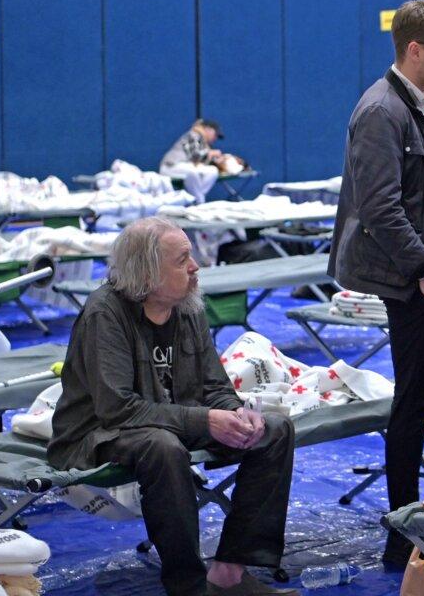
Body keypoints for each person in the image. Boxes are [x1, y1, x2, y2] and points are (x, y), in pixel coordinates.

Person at [48, 217, 297, 596]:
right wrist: (206, 420)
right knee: (163, 447)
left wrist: (236, 413)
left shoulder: (187, 304)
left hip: (171, 423)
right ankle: (188, 586)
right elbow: (118, 409)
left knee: (274, 430)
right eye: (182, 260)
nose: (195, 267)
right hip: (99, 434)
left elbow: (213, 385)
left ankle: (229, 573)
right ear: (146, 272)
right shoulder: (105, 313)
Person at [328, 0, 424, 569]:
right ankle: (405, 534)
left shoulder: (421, 106)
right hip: (411, 279)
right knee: (414, 400)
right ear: (415, 50)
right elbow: (379, 208)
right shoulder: (380, 112)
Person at [160, 118, 234, 202]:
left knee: (213, 171)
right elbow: (195, 156)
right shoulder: (194, 134)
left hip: (185, 168)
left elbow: (201, 162)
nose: (215, 138)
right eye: (215, 134)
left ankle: (195, 199)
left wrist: (218, 161)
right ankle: (198, 201)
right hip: (170, 167)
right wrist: (210, 153)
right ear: (208, 129)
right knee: (193, 172)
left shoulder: (204, 142)